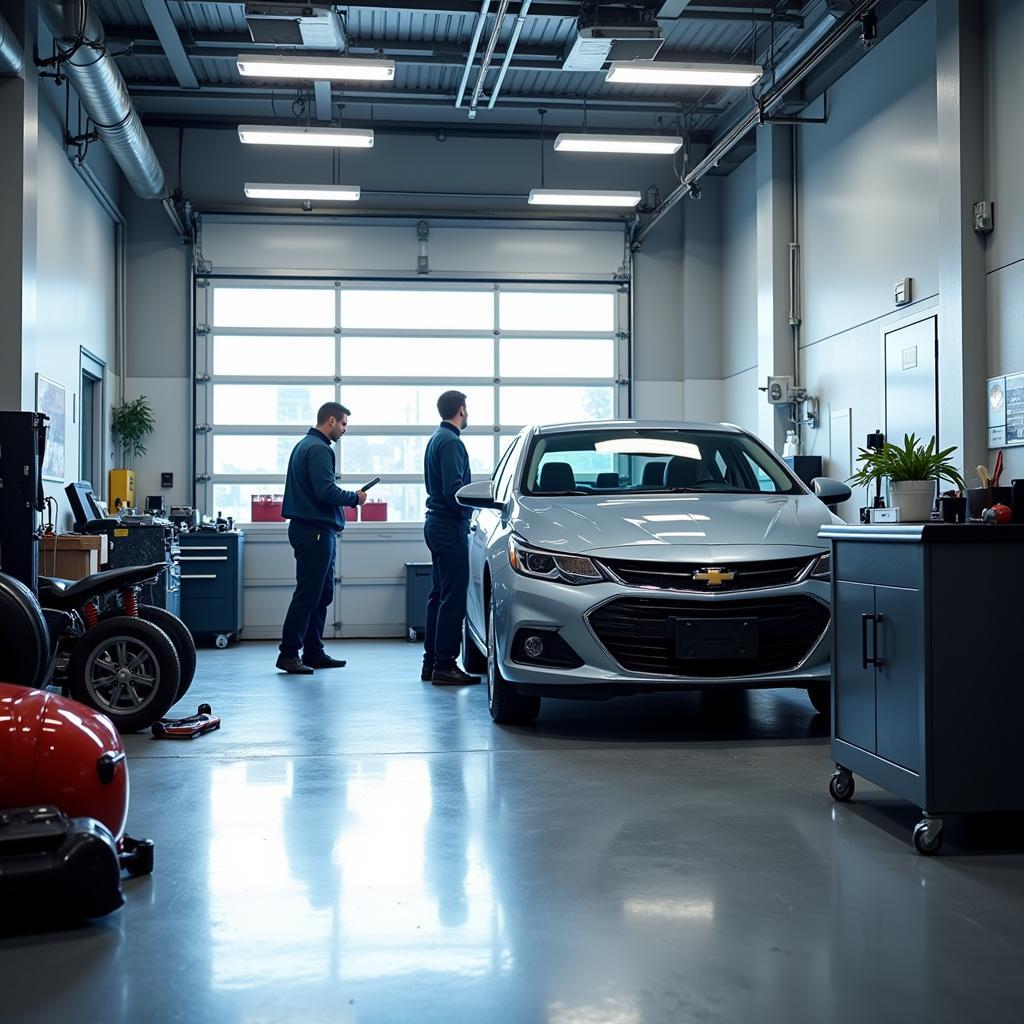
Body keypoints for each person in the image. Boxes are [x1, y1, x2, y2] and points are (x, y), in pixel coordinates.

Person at [276, 402, 367, 675]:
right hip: (314, 531)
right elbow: (325, 491)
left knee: (321, 594)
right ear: (330, 421)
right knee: (308, 594)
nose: (344, 430)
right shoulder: (319, 449)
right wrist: (354, 498)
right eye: (343, 424)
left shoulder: (305, 445)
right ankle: (289, 653)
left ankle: (313, 651)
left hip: (316, 530)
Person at [422, 390, 479, 686]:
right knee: (453, 599)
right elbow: (454, 491)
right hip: (448, 526)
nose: (467, 413)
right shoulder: (452, 443)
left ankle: (431, 662)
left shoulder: (436, 438)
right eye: (466, 408)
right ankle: (445, 665)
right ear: (461, 409)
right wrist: (477, 506)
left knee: (438, 596)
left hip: (436, 524)